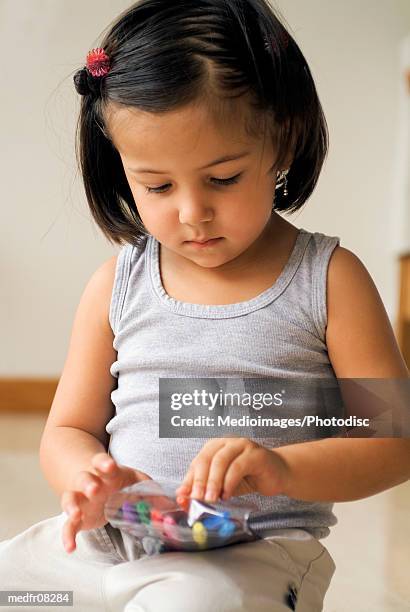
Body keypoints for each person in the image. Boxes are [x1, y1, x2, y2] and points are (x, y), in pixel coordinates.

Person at [1, 0, 409, 610]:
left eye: (222, 178)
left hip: (248, 555)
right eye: (157, 186)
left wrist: (282, 471)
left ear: (284, 141)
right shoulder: (117, 284)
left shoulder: (327, 279)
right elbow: (67, 430)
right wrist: (88, 475)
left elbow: (394, 440)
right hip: (111, 541)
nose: (192, 212)